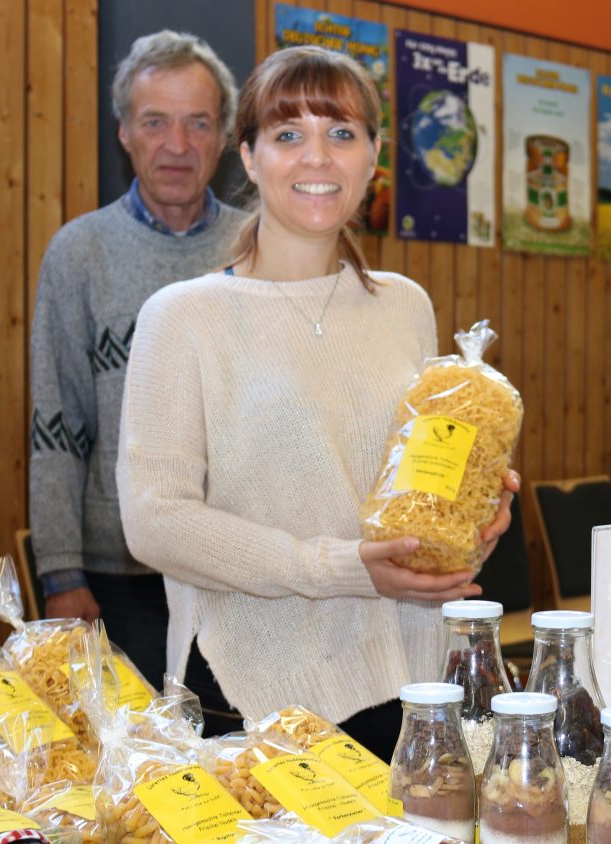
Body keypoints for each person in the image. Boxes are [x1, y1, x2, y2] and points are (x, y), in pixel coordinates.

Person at [116, 45, 518, 754]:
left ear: (373, 157)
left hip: (406, 673)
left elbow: (408, 479)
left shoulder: (405, 305)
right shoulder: (183, 316)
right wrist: (338, 565)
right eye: (287, 134)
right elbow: (154, 521)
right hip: (253, 688)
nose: (317, 158)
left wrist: (471, 509)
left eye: (341, 134)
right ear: (248, 156)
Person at [28, 30, 249, 702]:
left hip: (239, 577)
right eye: (156, 122)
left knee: (248, 771)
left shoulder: (259, 247)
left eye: (197, 123)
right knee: (143, 779)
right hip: (119, 581)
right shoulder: (79, 254)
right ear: (124, 132)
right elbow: (55, 423)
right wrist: (62, 575)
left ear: (224, 137)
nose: (176, 145)